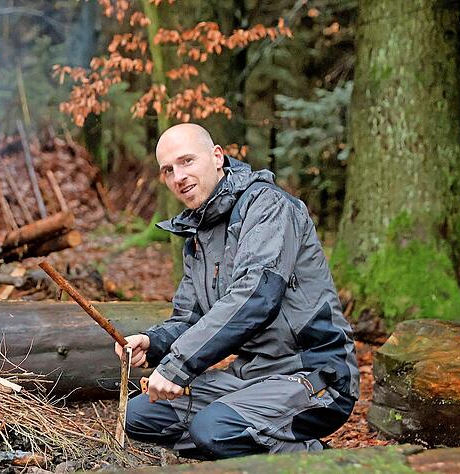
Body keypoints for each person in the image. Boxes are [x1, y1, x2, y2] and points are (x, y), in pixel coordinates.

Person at [115, 123, 359, 459]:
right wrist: (153, 343)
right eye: (168, 170)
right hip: (251, 375)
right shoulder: (198, 237)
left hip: (314, 374)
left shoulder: (268, 207)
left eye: (187, 161)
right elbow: (191, 318)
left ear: (217, 157)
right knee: (140, 417)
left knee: (213, 431)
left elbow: (256, 296)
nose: (178, 177)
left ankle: (333, 463)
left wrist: (177, 366)